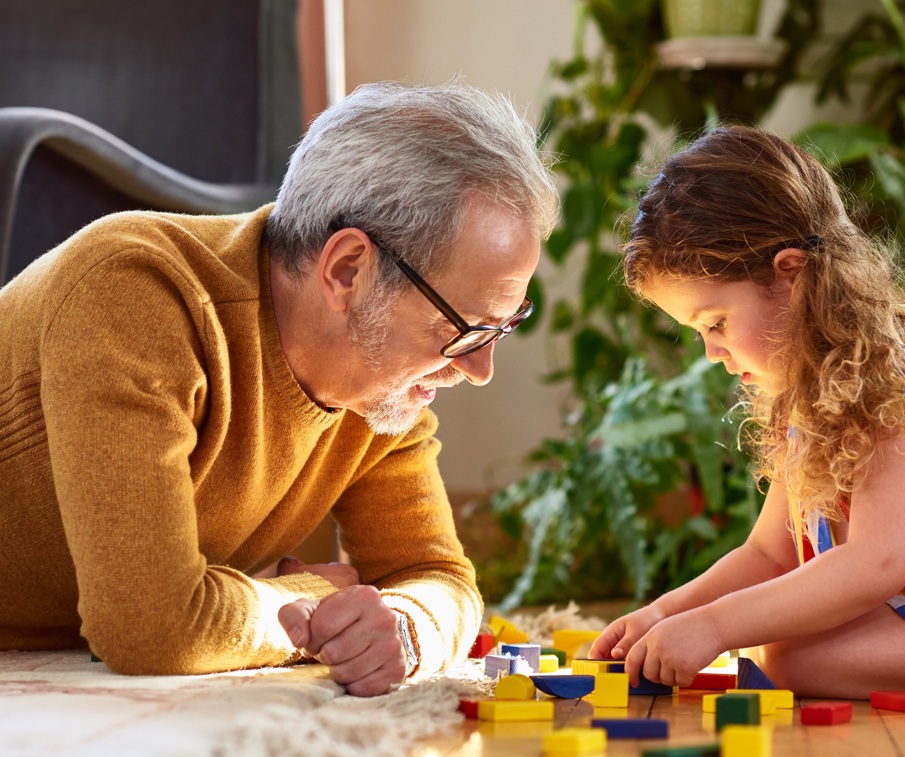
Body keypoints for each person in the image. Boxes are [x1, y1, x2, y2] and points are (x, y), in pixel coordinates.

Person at [0, 81, 559, 697]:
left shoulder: (378, 390)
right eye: (463, 328)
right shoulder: (134, 294)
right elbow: (150, 625)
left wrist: (404, 629)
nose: (480, 370)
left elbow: (436, 576)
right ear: (348, 269)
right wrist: (319, 597)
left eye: (504, 325)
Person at [590, 125, 905, 710]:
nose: (712, 353)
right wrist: (667, 612)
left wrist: (716, 628)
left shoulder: (896, 362)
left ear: (791, 275)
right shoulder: (813, 382)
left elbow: (873, 564)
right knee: (790, 654)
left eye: (715, 322)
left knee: (789, 645)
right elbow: (770, 554)